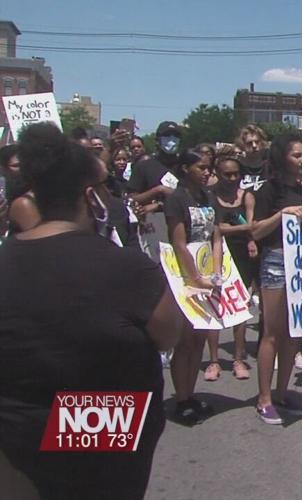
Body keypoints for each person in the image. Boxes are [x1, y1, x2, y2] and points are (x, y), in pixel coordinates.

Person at [0, 123, 182, 499]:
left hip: (16, 431)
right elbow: (168, 335)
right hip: (103, 424)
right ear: (91, 197)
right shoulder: (129, 269)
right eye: (104, 189)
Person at [251, 132, 302, 425]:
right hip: (276, 261)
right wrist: (283, 214)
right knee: (272, 332)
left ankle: (282, 390)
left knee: (295, 333)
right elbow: (256, 231)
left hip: (301, 262)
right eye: (296, 155)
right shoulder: (268, 190)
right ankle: (264, 397)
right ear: (282, 158)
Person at [165, 149, 222, 425]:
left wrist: (218, 271)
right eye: (202, 168)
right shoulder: (176, 199)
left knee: (199, 339)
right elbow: (178, 242)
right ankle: (180, 398)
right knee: (185, 341)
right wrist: (196, 278)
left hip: (209, 274)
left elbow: (216, 237)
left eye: (209, 168)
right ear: (186, 168)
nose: (207, 172)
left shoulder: (209, 197)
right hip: (186, 276)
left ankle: (191, 394)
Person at [206, 155, 257, 381]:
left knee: (240, 309)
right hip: (214, 255)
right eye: (227, 174)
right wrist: (235, 228)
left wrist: (229, 228)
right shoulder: (209, 197)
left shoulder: (247, 196)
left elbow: (252, 227)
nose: (233, 178)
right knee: (214, 307)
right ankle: (214, 361)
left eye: (237, 174)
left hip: (242, 256)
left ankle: (238, 358)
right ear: (218, 174)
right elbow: (213, 229)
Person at [127, 121, 184, 215]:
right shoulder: (144, 166)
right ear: (158, 140)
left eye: (175, 136)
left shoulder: (185, 166)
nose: (172, 139)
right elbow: (131, 198)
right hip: (154, 222)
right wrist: (158, 190)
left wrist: (160, 205)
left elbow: (191, 197)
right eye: (167, 135)